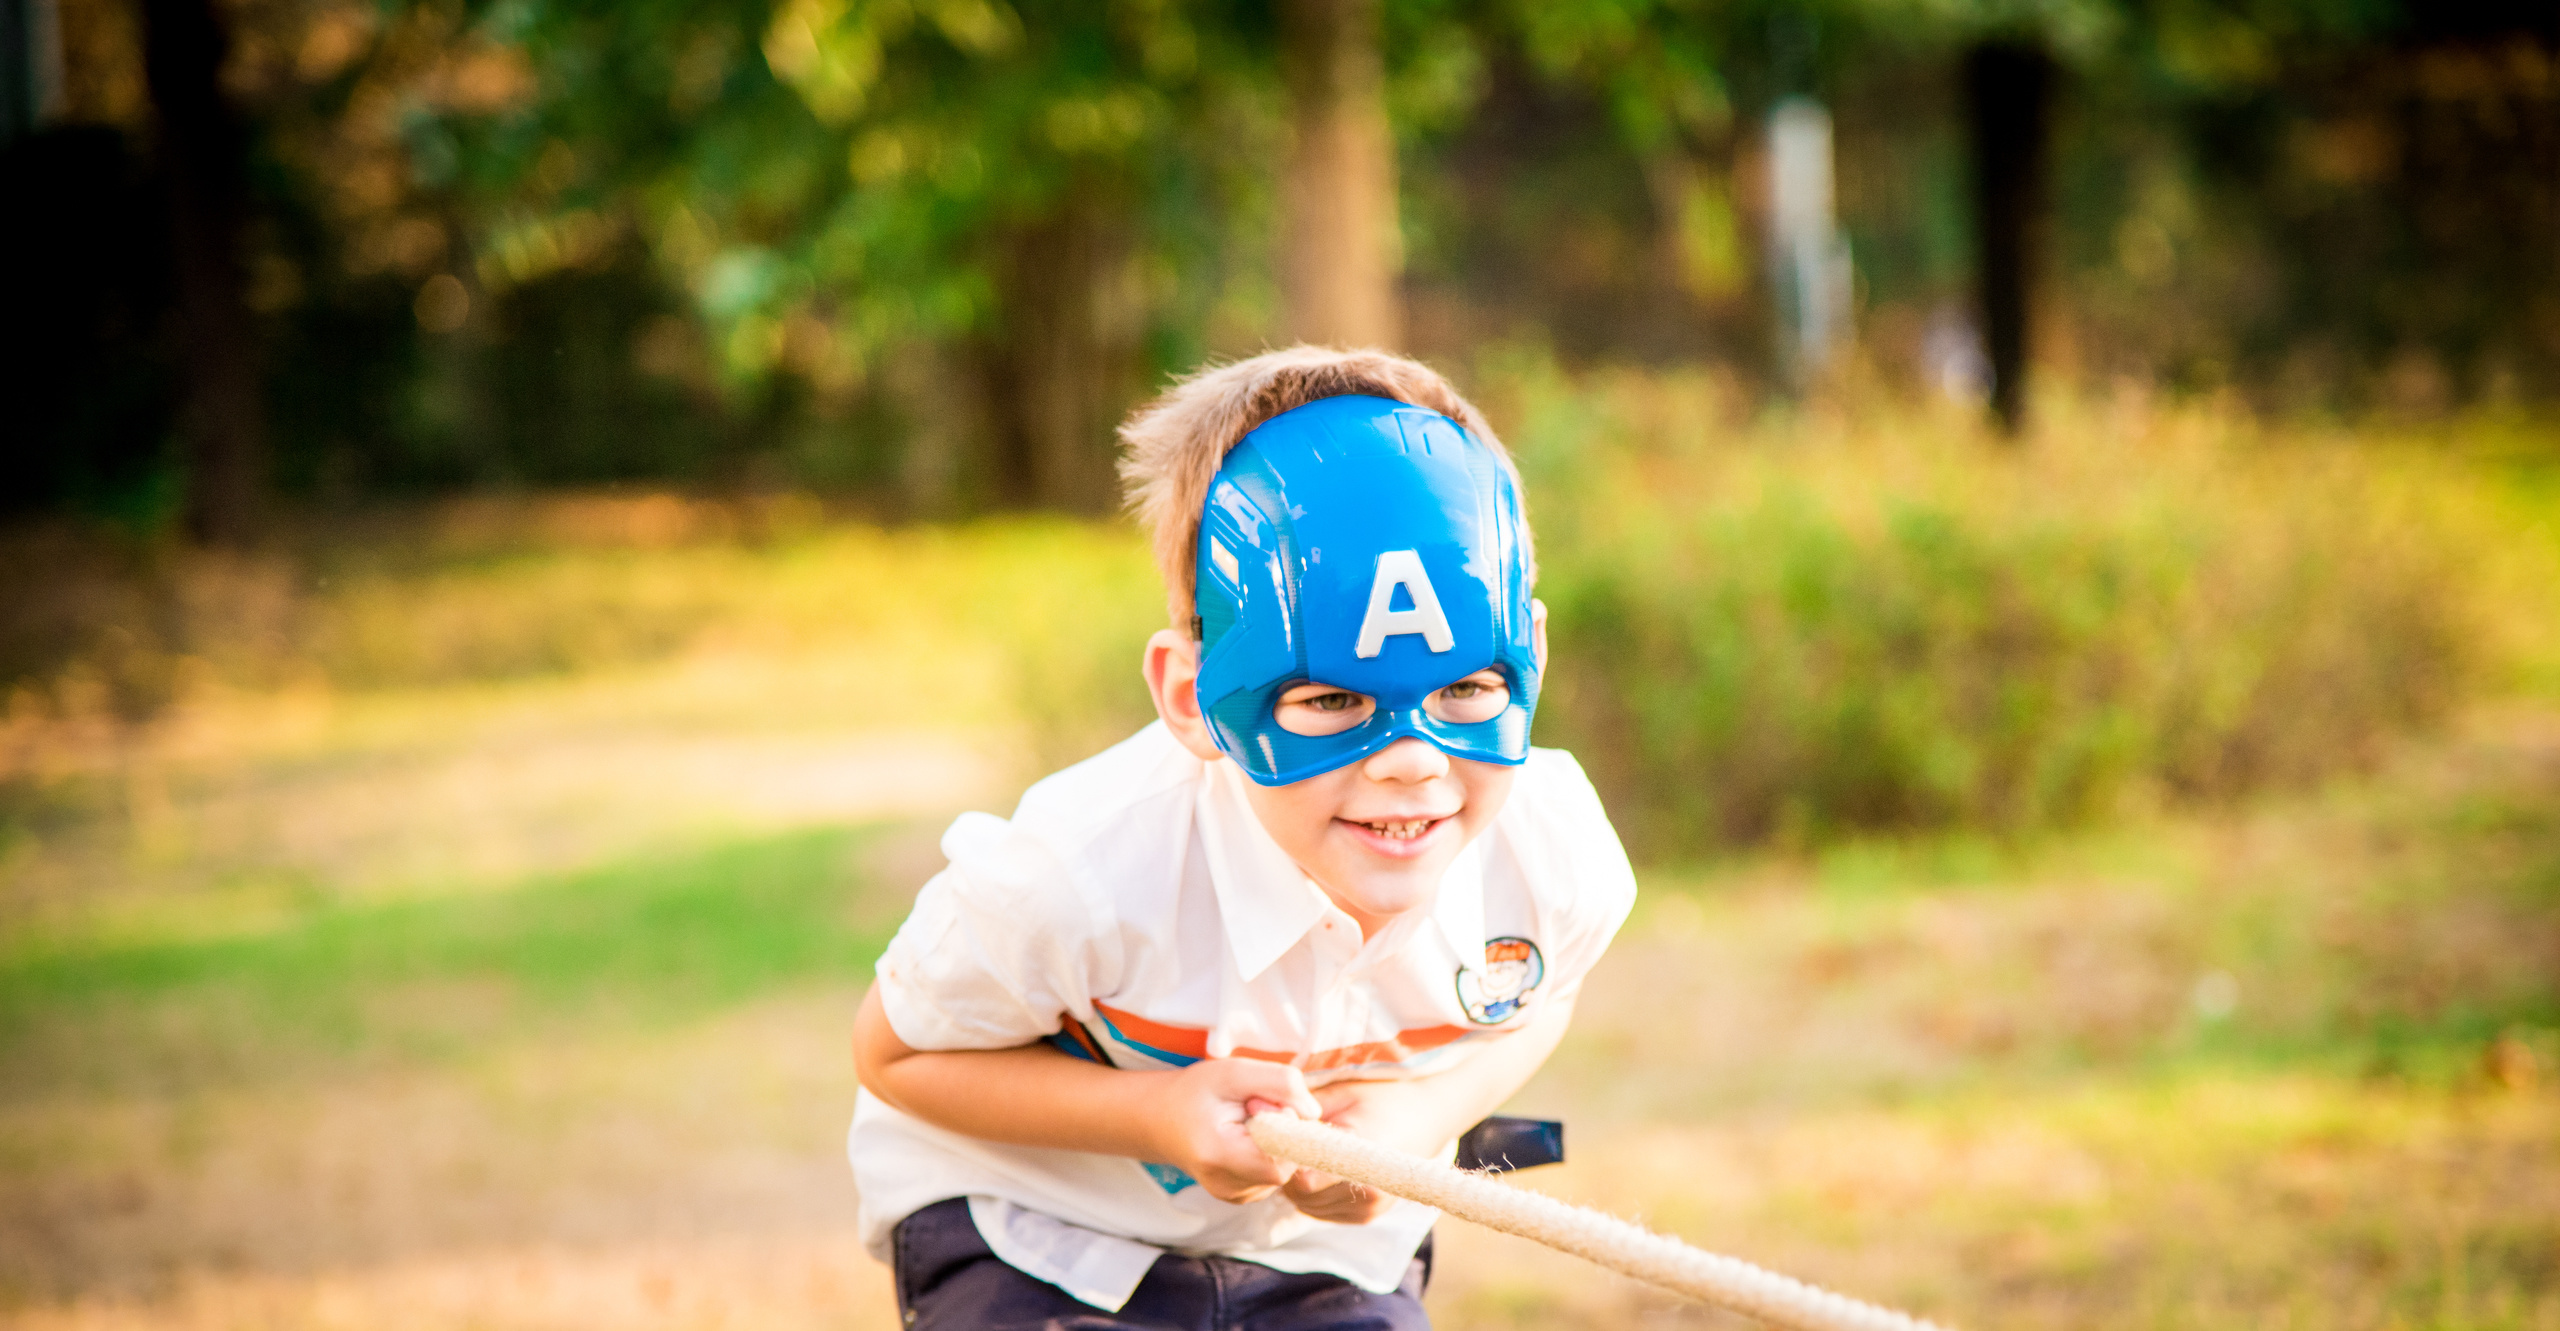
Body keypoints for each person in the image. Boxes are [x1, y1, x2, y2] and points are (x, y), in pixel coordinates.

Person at [849, 345, 1638, 1329]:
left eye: (1468, 689)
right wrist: (1158, 1116)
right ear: (1192, 695)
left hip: (1325, 1261)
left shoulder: (1553, 855)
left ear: (1531, 654)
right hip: (1038, 1235)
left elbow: (1538, 995)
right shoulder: (1074, 872)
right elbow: (895, 1056)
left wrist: (1422, 1118)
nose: (1411, 760)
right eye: (1330, 698)